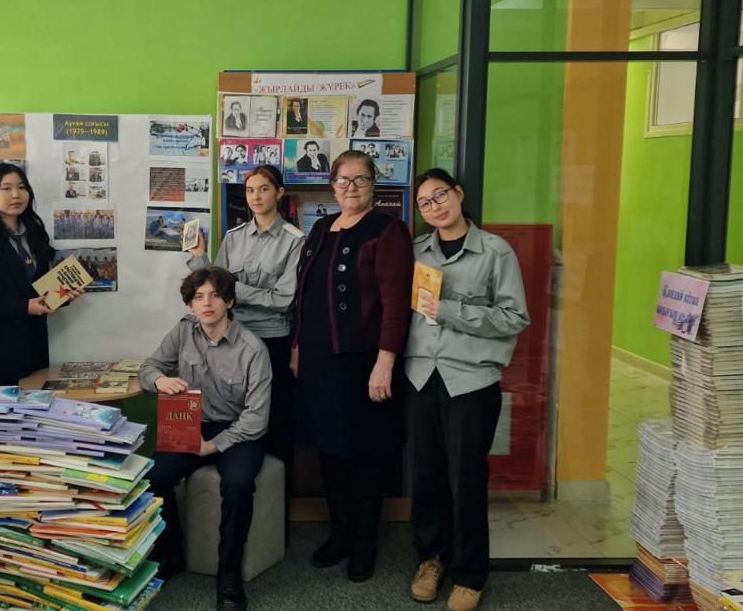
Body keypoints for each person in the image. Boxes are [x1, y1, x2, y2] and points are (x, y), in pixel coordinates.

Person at [404, 168, 529, 611]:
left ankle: (470, 574)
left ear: (458, 194)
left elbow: (514, 317)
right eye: (425, 202)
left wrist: (450, 310)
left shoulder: (495, 252)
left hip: (471, 380)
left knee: (467, 479)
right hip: (421, 376)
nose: (435, 206)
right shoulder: (415, 252)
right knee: (425, 475)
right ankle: (431, 559)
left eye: (440, 195)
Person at [292, 149, 413, 582]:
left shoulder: (388, 230)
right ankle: (340, 533)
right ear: (332, 185)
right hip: (320, 363)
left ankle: (364, 543)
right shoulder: (321, 227)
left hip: (363, 364)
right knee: (330, 452)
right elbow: (304, 295)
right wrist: (298, 347)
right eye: (343, 180)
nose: (351, 188)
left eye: (361, 179)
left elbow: (396, 304)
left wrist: (385, 362)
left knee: (365, 454)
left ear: (373, 185)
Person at [140, 267, 272, 611]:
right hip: (192, 422)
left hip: (239, 431)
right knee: (152, 476)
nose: (207, 303)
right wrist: (160, 381)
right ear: (190, 304)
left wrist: (212, 446)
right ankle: (171, 554)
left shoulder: (253, 349)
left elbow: (256, 419)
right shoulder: (183, 331)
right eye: (198, 297)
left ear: (229, 301)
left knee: (238, 486)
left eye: (215, 295)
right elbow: (148, 367)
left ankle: (228, 573)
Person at [188, 165, 303, 466]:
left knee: (274, 417)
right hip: (233, 337)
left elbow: (282, 299)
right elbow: (214, 289)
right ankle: (236, 469)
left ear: (279, 193)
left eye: (264, 189)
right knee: (232, 411)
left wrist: (233, 289)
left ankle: (277, 489)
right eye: (250, 190)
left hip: (272, 338)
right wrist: (199, 259)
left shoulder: (295, 240)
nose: (256, 197)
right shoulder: (234, 237)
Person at [0, 163, 82, 384]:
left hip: (36, 347)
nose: (16, 194)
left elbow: (38, 290)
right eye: (6, 188)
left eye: (22, 187)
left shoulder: (36, 235)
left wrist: (63, 295)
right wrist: (24, 307)